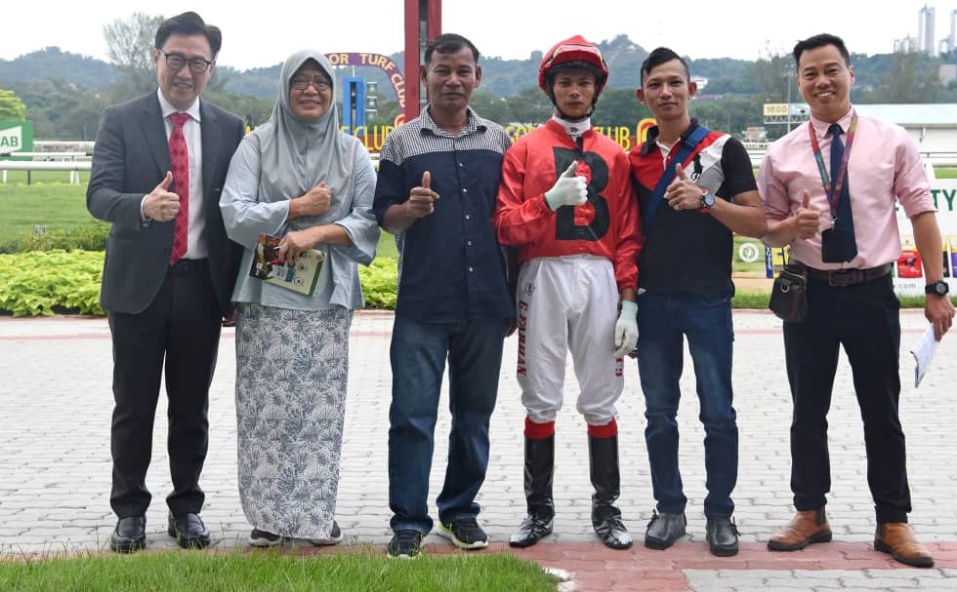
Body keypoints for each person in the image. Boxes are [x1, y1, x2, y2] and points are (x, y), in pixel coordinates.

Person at [757, 33, 956, 568]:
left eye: (830, 70)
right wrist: (785, 227)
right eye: (809, 74)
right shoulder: (781, 153)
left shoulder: (892, 141)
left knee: (881, 409)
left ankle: (893, 520)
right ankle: (810, 512)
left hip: (871, 293)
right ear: (798, 83)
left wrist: (936, 290)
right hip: (810, 295)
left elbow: (921, 214)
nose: (821, 82)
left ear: (850, 73)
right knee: (807, 411)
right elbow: (768, 231)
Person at [86, 11, 245, 553]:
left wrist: (236, 290)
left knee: (190, 405)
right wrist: (142, 206)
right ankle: (129, 512)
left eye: (196, 62)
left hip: (201, 287)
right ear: (156, 58)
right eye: (175, 59)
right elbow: (99, 195)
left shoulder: (228, 127)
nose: (185, 71)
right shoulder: (120, 119)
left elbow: (236, 212)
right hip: (137, 289)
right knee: (133, 404)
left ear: (211, 67)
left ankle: (186, 509)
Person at [220, 50, 380, 547]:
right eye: (300, 82)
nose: (310, 90)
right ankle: (268, 516)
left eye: (320, 83)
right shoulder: (257, 146)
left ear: (333, 92)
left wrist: (318, 231)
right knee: (267, 409)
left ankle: (314, 514)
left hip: (325, 298)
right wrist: (294, 207)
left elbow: (369, 219)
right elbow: (234, 212)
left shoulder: (352, 152)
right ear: (285, 89)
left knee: (319, 410)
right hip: (267, 296)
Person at [493, 35, 642, 551]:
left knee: (601, 398)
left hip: (599, 276)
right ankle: (538, 512)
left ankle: (608, 511)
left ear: (597, 89)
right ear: (550, 88)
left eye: (583, 82)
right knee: (541, 398)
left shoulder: (615, 155)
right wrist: (547, 202)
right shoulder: (525, 149)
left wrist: (630, 301)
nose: (574, 91)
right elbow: (506, 226)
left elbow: (627, 232)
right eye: (565, 82)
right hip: (544, 275)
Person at [373, 33, 515, 558]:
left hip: (485, 301)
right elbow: (383, 216)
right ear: (424, 77)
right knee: (411, 415)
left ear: (477, 76)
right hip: (423, 302)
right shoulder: (402, 143)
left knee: (474, 414)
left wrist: (511, 297)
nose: (453, 80)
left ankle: (459, 512)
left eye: (463, 71)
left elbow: (512, 221)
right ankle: (408, 520)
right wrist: (410, 209)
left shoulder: (499, 141)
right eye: (442, 70)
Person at [628, 47, 766, 557]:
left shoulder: (723, 149)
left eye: (675, 82)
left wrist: (706, 201)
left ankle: (720, 513)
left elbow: (759, 222)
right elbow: (625, 235)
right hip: (652, 301)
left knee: (719, 413)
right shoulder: (633, 161)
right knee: (659, 413)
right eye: (656, 85)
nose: (666, 92)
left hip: (708, 302)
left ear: (691, 88)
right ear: (642, 95)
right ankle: (669, 507)